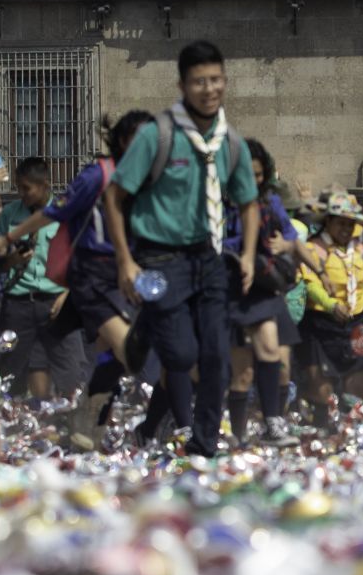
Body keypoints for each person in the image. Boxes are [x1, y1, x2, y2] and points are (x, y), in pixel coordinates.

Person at [103, 41, 258, 458]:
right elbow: (114, 196)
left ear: (224, 81)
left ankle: (204, 442)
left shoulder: (231, 143)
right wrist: (125, 260)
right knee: (183, 354)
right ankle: (147, 329)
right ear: (183, 85)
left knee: (216, 356)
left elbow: (248, 202)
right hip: (160, 256)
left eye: (215, 80)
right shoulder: (159, 135)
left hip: (207, 258)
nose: (209, 89)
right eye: (199, 82)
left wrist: (246, 254)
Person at [0, 111, 153, 446]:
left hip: (127, 278)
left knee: (113, 358)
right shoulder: (99, 174)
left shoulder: (151, 178)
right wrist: (8, 238)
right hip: (91, 276)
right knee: (131, 350)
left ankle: (87, 423)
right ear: (124, 141)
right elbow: (55, 211)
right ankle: (77, 415)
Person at [224, 139, 309, 445]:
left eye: (259, 176)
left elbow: (289, 235)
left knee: (272, 351)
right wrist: (242, 247)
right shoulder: (221, 201)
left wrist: (282, 246)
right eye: (249, 175)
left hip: (263, 285)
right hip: (231, 284)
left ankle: (273, 422)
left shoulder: (270, 201)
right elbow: (215, 240)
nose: (254, 182)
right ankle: (237, 433)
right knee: (243, 373)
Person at [0, 157, 76, 402]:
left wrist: (65, 295)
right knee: (13, 368)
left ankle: (69, 420)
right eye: (19, 187)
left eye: (27, 188)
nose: (22, 193)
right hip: (19, 303)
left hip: (55, 302)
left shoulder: (64, 214)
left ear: (45, 184)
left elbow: (76, 260)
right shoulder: (10, 214)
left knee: (69, 367)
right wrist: (13, 260)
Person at [299, 189, 363, 412]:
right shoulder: (312, 248)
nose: (346, 229)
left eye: (350, 224)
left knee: (357, 390)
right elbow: (310, 284)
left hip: (354, 326)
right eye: (341, 224)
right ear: (328, 222)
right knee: (323, 392)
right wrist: (331, 304)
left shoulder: (359, 250)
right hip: (321, 325)